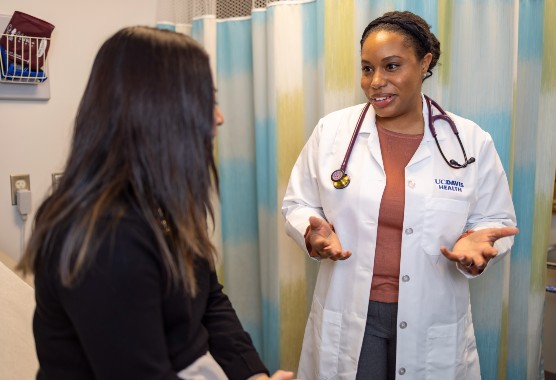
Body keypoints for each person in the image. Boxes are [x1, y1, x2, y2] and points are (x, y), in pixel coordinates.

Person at [17, 26, 293, 380]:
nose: (219, 116)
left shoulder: (160, 201)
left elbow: (208, 297)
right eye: (206, 99)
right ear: (159, 111)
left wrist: (252, 374)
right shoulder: (104, 236)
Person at [282, 10, 518, 380]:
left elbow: (496, 220)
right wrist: (312, 234)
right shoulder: (332, 133)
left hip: (432, 314)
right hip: (352, 314)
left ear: (425, 64)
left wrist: (476, 247)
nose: (376, 82)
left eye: (391, 66)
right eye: (367, 68)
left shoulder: (470, 141)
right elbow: (298, 204)